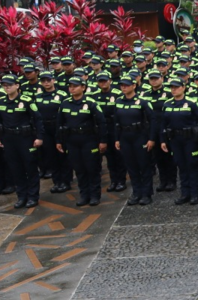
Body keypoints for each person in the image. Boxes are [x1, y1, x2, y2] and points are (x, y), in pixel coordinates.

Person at [57, 77, 108, 207]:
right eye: (70, 86)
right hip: (72, 141)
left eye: (75, 86)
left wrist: (103, 141)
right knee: (79, 169)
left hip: (89, 140)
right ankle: (84, 195)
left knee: (92, 168)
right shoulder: (65, 103)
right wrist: (59, 141)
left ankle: (95, 195)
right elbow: (60, 123)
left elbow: (102, 123)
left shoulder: (91, 103)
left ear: (83, 87)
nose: (72, 88)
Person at [105, 75, 156, 206]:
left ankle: (146, 193)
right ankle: (136, 192)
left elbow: (152, 121)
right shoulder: (118, 101)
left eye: (127, 85)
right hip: (125, 137)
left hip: (140, 136)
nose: (124, 87)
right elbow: (116, 122)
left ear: (134, 86)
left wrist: (151, 139)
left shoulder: (142, 102)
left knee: (144, 166)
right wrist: (117, 139)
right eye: (122, 85)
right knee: (131, 167)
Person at [0, 75, 43, 208]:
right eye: (4, 85)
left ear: (17, 85)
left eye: (10, 85)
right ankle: (22, 196)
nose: (7, 88)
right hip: (9, 139)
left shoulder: (26, 100)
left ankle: (33, 196)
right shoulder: (1, 101)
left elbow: (37, 119)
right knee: (16, 169)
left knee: (30, 167)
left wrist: (39, 137)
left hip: (25, 139)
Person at [159, 78, 198, 205]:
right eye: (172, 87)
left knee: (192, 165)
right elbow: (163, 123)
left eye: (177, 87)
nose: (174, 89)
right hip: (175, 140)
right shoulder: (167, 104)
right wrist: (163, 140)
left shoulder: (192, 103)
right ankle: (185, 193)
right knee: (181, 166)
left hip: (190, 140)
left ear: (183, 87)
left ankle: (195, 194)